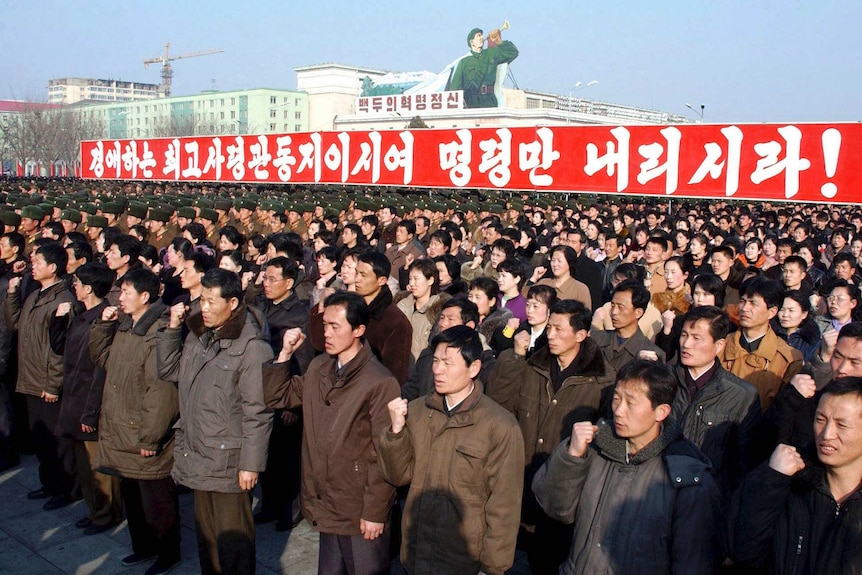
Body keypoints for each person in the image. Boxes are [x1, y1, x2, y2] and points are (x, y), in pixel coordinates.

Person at [531, 360, 722, 575]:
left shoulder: (686, 476)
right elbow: (557, 508)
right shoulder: (596, 448)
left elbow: (692, 562)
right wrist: (571, 457)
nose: (619, 411)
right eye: (616, 399)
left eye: (631, 403)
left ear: (661, 412)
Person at [262, 292, 401, 575]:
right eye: (325, 325)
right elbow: (278, 395)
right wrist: (285, 355)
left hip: (358, 507)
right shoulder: (320, 367)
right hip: (326, 500)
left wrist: (375, 512)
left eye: (335, 327)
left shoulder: (379, 382)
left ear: (359, 330)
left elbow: (383, 455)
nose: (326, 333)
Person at [378, 326, 525, 575]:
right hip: (416, 553)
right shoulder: (416, 411)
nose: (437, 369)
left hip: (464, 559)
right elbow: (397, 476)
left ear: (474, 368)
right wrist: (396, 433)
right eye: (435, 360)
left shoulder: (500, 426)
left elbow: (505, 506)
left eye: (448, 362)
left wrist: (492, 568)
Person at [156, 269, 273, 575]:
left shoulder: (252, 347)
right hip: (198, 451)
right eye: (202, 300)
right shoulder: (200, 334)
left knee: (233, 543)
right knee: (207, 539)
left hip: (228, 460)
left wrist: (251, 463)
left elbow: (258, 410)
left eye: (210, 301)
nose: (203, 308)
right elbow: (170, 371)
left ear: (233, 302)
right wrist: (171, 329)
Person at [488, 299, 615, 575]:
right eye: (549, 328)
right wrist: (514, 357)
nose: (551, 335)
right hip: (524, 482)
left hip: (566, 497)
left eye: (559, 329)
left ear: (581, 335)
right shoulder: (535, 366)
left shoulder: (602, 381)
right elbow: (499, 402)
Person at [89, 268, 180, 575]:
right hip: (122, 425)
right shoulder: (126, 325)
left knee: (156, 498)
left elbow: (162, 391)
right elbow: (103, 359)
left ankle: (167, 553)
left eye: (127, 292)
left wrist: (151, 437)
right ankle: (143, 547)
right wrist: (103, 327)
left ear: (145, 296)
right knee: (133, 494)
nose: (121, 297)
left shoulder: (158, 330)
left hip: (143, 430)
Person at [731, 378, 862, 574]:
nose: (826, 434)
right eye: (820, 420)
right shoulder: (790, 483)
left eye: (841, 425)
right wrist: (771, 481)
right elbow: (744, 551)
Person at [4, 242, 77, 510]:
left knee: (57, 441)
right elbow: (15, 324)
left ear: (53, 267)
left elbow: (61, 350)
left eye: (37, 261)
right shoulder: (35, 295)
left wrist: (53, 384)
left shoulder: (64, 300)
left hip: (47, 382)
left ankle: (66, 488)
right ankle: (49, 484)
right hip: (31, 378)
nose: (32, 265)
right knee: (41, 438)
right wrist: (12, 293)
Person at [50, 262, 122, 535]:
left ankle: (107, 514)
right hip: (75, 397)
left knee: (99, 467)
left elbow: (100, 370)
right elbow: (60, 348)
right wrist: (58, 320)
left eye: (78, 282)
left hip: (90, 402)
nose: (74, 286)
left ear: (89, 288)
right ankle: (95, 511)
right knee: (84, 465)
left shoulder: (104, 319)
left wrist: (91, 412)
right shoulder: (81, 313)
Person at [672, 306, 761, 500]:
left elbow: (743, 464)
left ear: (719, 345)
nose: (686, 344)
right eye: (684, 335)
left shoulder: (742, 396)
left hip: (708, 499)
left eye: (697, 338)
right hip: (659, 492)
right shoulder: (662, 381)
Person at [308, 250, 412, 386]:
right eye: (357, 273)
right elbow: (319, 343)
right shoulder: (347, 306)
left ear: (381, 280)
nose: (357, 279)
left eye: (363, 275)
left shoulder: (395, 322)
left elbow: (393, 375)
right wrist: (322, 308)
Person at [719, 277, 804, 411]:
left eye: (753, 303)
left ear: (772, 312)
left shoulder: (787, 359)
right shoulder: (719, 345)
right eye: (743, 301)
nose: (745, 308)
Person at [590, 279, 666, 370]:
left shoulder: (650, 353)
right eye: (613, 306)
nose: (614, 312)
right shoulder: (595, 339)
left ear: (638, 312)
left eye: (620, 307)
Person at [449, 26, 519, 109]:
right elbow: (455, 89)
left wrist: (498, 41)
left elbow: (513, 53)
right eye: (478, 35)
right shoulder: (464, 62)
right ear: (472, 42)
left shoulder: (491, 53)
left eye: (482, 35)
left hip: (489, 100)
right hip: (471, 102)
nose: (482, 37)